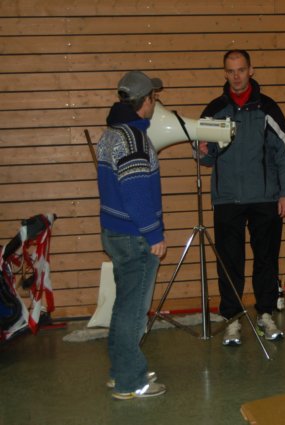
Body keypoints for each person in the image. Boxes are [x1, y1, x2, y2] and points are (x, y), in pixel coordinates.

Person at [198, 50, 285, 346]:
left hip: (265, 199)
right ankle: (232, 320)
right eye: (230, 71)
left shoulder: (268, 108)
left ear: (251, 70)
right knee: (229, 264)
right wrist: (202, 150)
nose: (236, 76)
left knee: (266, 260)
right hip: (227, 200)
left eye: (241, 69)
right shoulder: (214, 110)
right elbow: (206, 158)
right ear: (225, 73)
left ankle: (265, 314)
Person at [97, 70, 167, 399]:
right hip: (135, 235)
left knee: (124, 305)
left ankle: (120, 370)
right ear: (145, 101)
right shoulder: (134, 138)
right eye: (154, 97)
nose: (156, 103)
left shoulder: (111, 133)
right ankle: (130, 381)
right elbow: (136, 195)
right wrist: (154, 235)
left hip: (115, 232)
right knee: (133, 310)